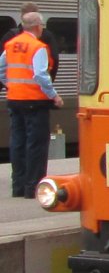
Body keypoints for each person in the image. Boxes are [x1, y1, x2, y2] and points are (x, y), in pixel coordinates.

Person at [0, 12, 64, 198]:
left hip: (14, 100)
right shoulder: (38, 47)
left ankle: (18, 187)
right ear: (37, 26)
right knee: (36, 145)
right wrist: (54, 96)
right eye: (42, 25)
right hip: (35, 102)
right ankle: (33, 188)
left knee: (17, 143)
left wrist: (10, 84)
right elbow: (40, 75)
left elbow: (0, 69)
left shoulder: (11, 45)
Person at [1, 2, 59, 81]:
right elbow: (54, 59)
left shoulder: (10, 37)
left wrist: (8, 85)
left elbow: (2, 65)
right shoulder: (47, 37)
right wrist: (49, 83)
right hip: (38, 88)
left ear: (21, 16)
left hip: (15, 88)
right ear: (38, 16)